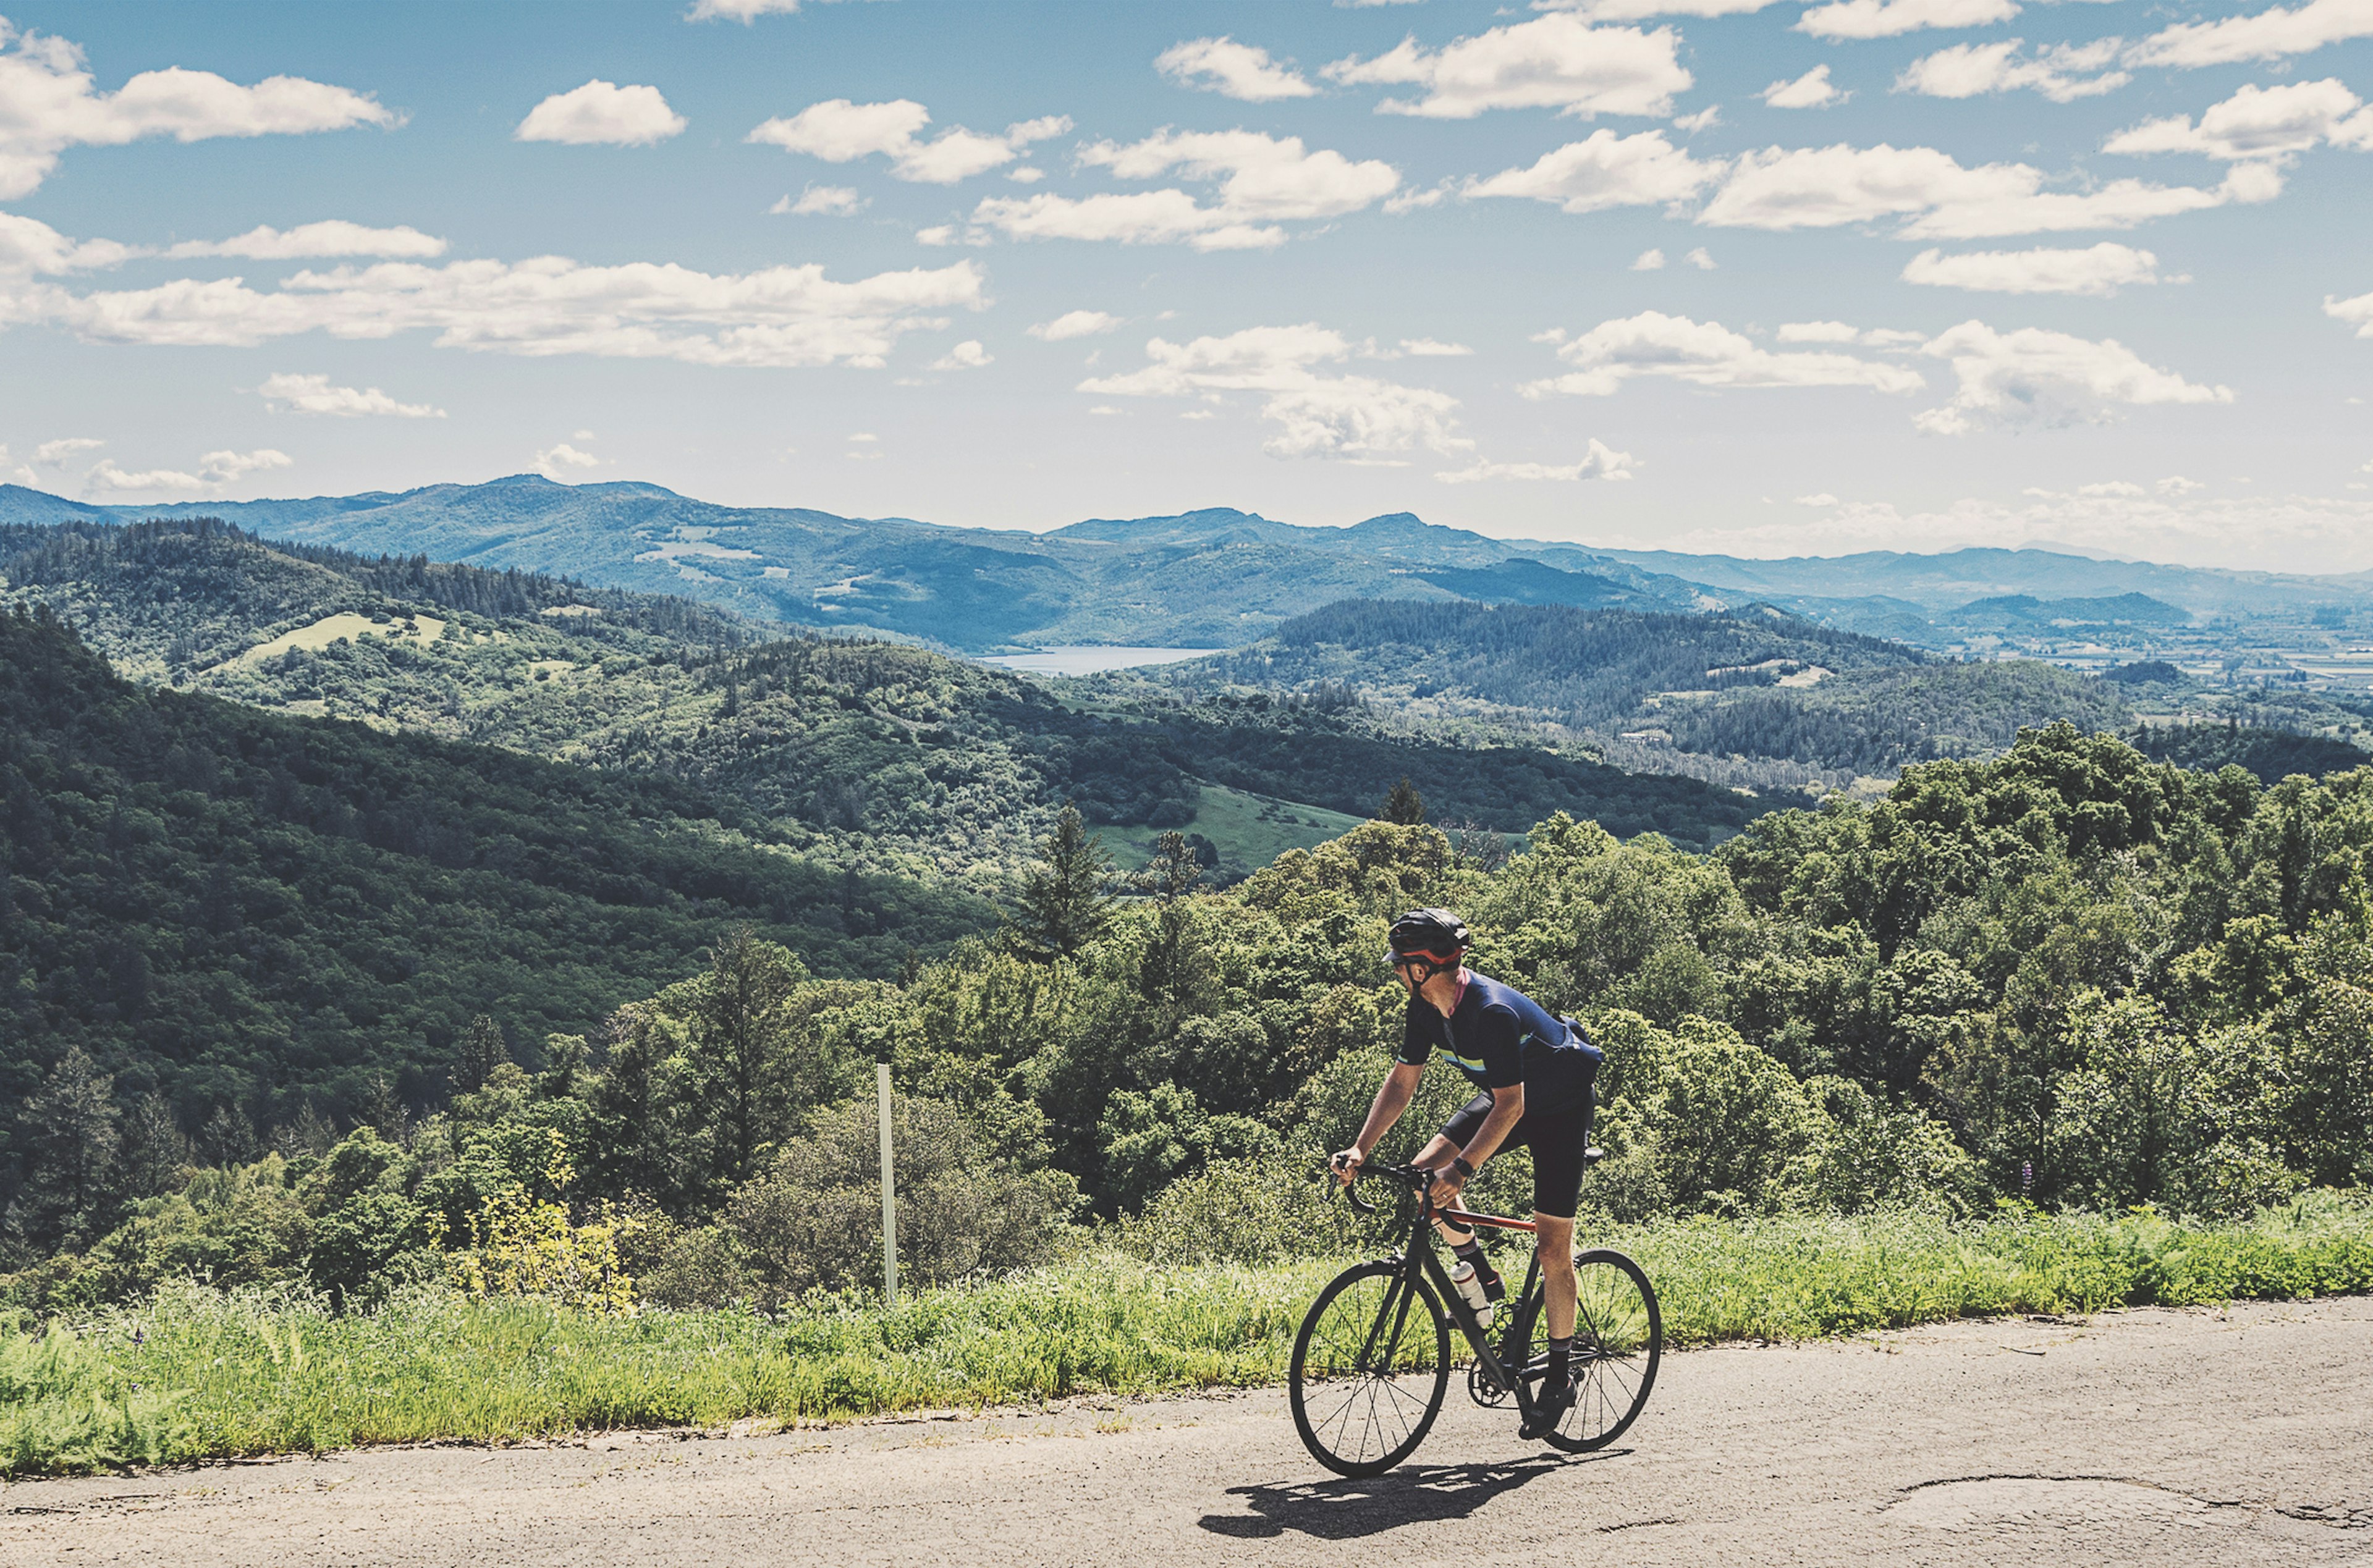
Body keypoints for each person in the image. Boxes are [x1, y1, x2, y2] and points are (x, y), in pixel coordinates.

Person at [1330, 907, 1603, 1440]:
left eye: (1399, 964)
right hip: (1511, 1099)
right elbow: (1402, 1083)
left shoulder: (1491, 1013)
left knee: (1552, 1249)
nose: (1393, 971)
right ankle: (1483, 1272)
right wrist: (1361, 1148)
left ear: (1423, 966)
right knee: (1421, 1178)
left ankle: (1559, 1373)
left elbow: (1510, 1107)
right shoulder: (1425, 1007)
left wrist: (1465, 1167)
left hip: (1556, 1109)